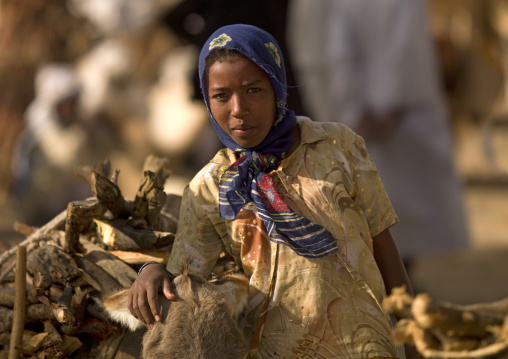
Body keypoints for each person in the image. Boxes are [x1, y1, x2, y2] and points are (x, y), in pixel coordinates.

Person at [129, 24, 416, 358]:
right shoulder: (207, 188)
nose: (238, 108)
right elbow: (187, 279)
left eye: (253, 90)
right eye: (221, 95)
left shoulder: (338, 147)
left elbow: (383, 247)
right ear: (207, 100)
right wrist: (150, 271)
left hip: (367, 347)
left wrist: (415, 339)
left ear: (277, 87)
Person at [287, 0, 470, 269]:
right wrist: (382, 106)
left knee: (392, 214)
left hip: (384, 116)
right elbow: (400, 47)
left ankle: (397, 283)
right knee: (383, 212)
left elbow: (337, 54)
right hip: (388, 115)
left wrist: (354, 110)